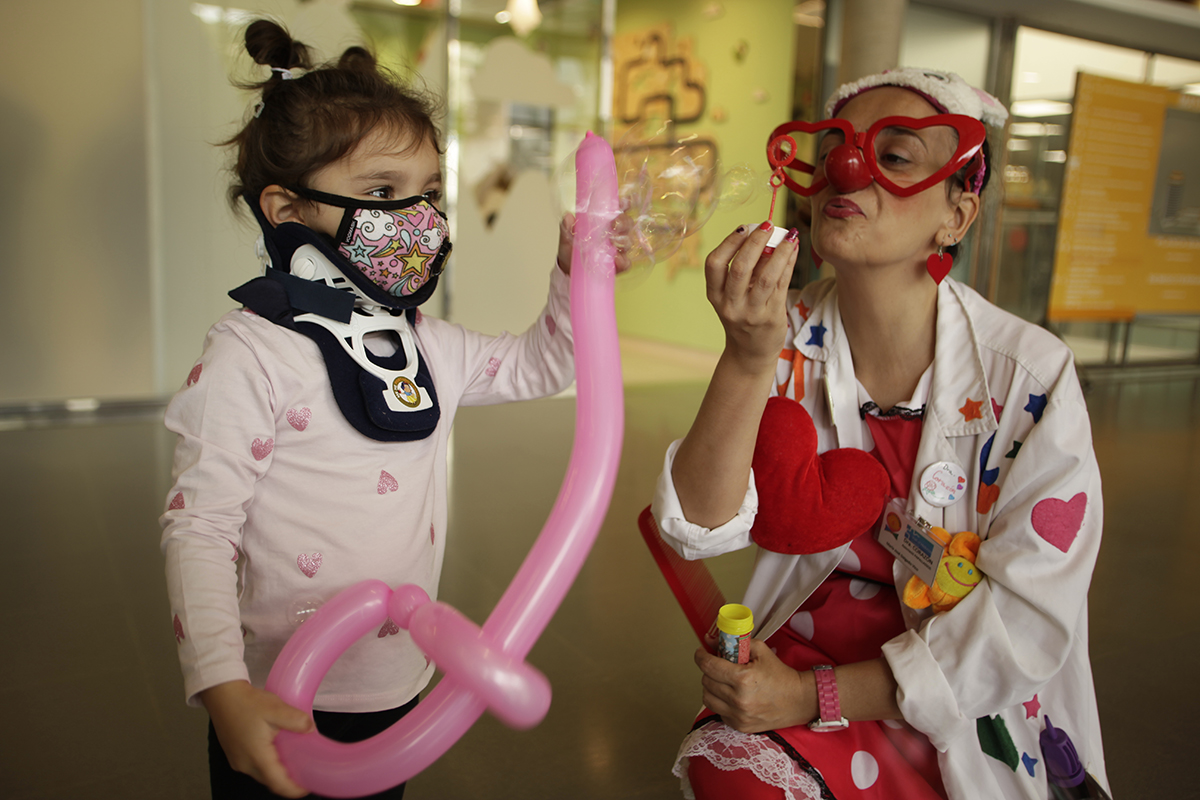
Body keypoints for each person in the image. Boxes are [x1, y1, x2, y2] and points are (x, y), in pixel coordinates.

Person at [160, 20, 624, 799]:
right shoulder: (250, 355)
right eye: (382, 192)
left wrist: (573, 276)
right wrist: (222, 686)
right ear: (288, 210)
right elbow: (199, 527)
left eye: (428, 192)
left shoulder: (430, 345)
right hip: (274, 689)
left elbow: (544, 365)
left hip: (393, 678)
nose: (418, 216)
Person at [652, 68, 1108, 800]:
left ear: (957, 215)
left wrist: (811, 698)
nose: (846, 168)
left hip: (961, 693)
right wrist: (746, 358)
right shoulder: (781, 336)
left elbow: (1025, 623)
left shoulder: (1031, 376)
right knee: (734, 774)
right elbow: (696, 528)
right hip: (797, 654)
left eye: (893, 156)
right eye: (833, 148)